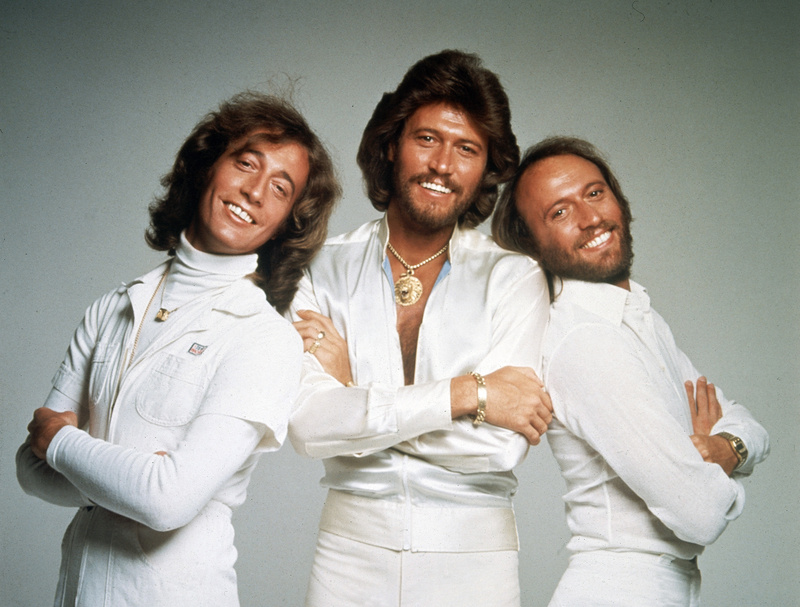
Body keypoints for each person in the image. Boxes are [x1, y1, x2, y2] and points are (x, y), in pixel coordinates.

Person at [16, 92, 340, 607]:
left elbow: (166, 501)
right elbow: (28, 472)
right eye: (246, 163)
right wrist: (130, 476)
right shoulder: (112, 308)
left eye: (279, 188)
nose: (254, 191)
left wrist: (65, 445)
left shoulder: (263, 338)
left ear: (287, 221)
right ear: (208, 165)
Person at [288, 50, 552, 607]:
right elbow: (310, 427)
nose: (442, 164)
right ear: (391, 143)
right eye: (427, 139)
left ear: (487, 168)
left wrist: (356, 398)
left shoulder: (514, 278)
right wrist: (470, 394)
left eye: (467, 149)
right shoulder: (320, 267)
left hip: (475, 563)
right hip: (347, 559)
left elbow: (500, 449)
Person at [492, 136, 770, 606]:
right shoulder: (586, 340)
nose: (590, 218)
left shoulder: (635, 316)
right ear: (532, 243)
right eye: (558, 212)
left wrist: (726, 448)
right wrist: (727, 475)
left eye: (594, 193)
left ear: (618, 198)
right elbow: (698, 512)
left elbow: (749, 424)